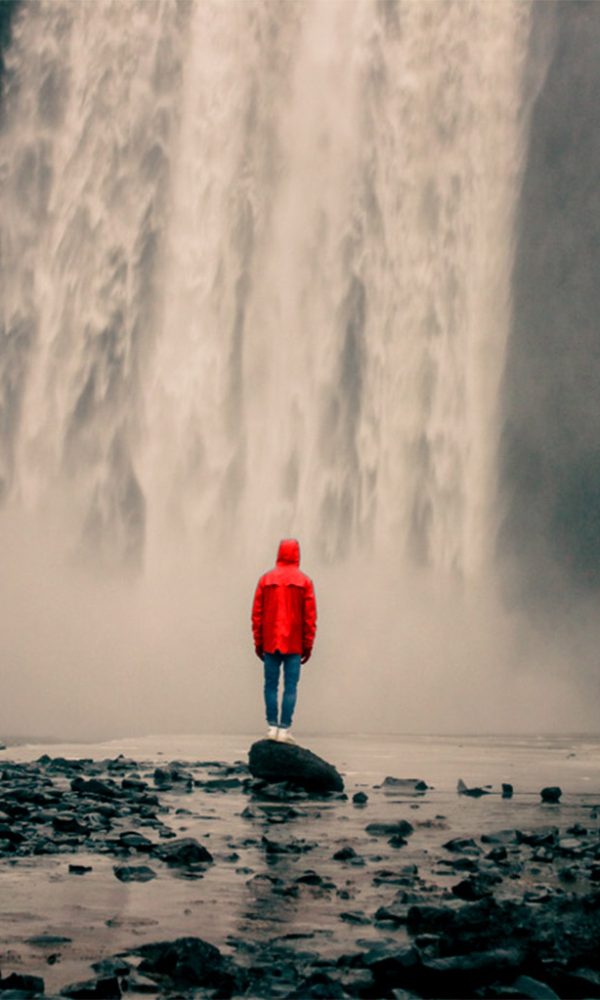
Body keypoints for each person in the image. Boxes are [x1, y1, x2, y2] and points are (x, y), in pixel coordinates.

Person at [251, 538, 317, 742]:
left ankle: (271, 726)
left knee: (270, 685)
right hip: (295, 643)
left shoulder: (265, 580)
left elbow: (256, 614)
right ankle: (284, 729)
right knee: (291, 687)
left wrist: (258, 642)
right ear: (297, 554)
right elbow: (310, 617)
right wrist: (308, 645)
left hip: (270, 641)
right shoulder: (304, 581)